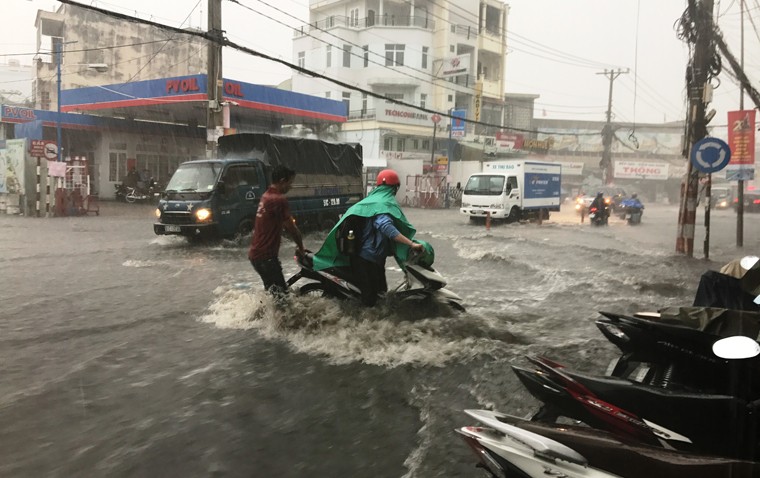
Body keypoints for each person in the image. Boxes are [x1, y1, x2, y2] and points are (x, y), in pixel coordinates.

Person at [312, 169, 423, 306]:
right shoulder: (383, 204)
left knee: (382, 294)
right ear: (394, 188)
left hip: (373, 258)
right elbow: (386, 228)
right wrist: (411, 244)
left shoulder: (371, 200)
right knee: (370, 300)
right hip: (366, 258)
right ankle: (365, 323)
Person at [248, 165, 305, 298]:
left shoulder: (266, 196)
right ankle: (275, 318)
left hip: (256, 255)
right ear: (282, 180)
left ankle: (259, 316)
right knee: (282, 300)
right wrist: (301, 247)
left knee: (273, 294)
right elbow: (292, 229)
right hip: (266, 258)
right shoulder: (278, 200)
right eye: (290, 183)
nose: (290, 187)